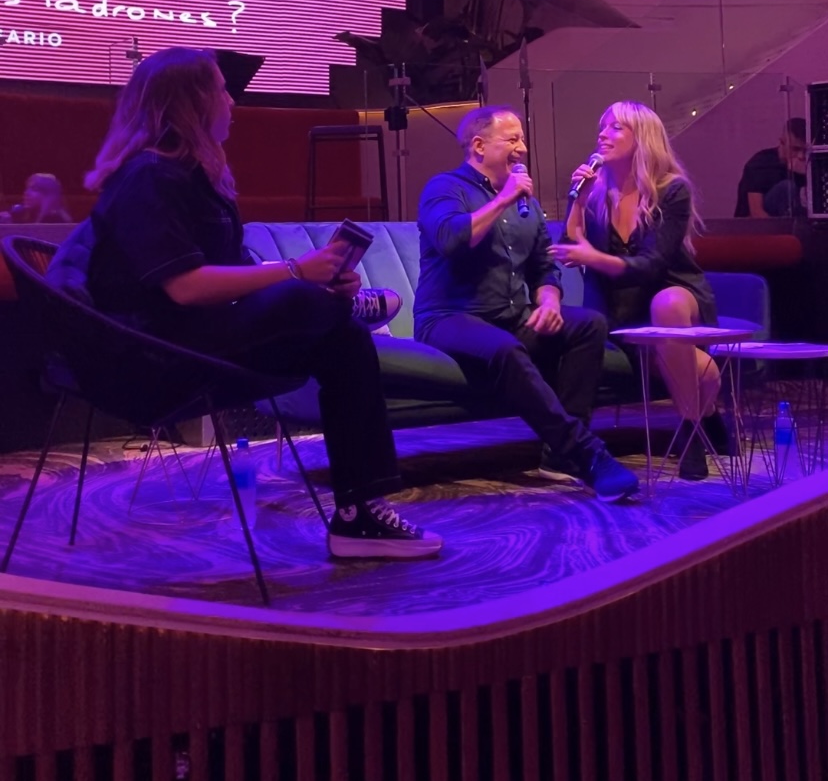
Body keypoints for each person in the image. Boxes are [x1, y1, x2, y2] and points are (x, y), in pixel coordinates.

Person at [78, 46, 441, 560]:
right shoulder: (149, 178)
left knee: (343, 338)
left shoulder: (192, 177)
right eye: (221, 90)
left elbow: (230, 275)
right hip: (155, 357)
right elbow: (184, 288)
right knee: (305, 300)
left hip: (199, 338)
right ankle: (340, 309)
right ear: (190, 103)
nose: (232, 101)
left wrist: (316, 280)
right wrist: (296, 273)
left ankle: (358, 514)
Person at [413, 105, 639, 502]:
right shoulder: (444, 187)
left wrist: (549, 302)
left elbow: (542, 268)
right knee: (506, 349)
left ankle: (558, 457)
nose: (522, 148)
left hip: (511, 317)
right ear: (479, 146)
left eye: (522, 138)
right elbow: (451, 239)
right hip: (450, 317)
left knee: (588, 324)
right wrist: (503, 199)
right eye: (512, 139)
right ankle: (587, 453)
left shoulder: (527, 204)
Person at [549, 101, 721, 481]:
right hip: (619, 308)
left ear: (642, 138)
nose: (603, 134)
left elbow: (652, 265)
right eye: (602, 126)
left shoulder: (671, 190)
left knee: (667, 303)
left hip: (673, 291)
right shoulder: (597, 192)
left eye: (616, 127)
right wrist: (578, 199)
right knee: (705, 372)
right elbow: (570, 247)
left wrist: (594, 257)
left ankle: (689, 433)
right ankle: (708, 414)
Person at [734, 118, 807, 218]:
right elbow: (756, 212)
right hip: (755, 224)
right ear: (782, 142)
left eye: (805, 151)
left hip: (796, 219)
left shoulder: (810, 164)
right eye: (795, 149)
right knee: (786, 188)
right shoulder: (761, 163)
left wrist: (805, 174)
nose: (801, 156)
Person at [0, 172, 72, 223]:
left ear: (48, 194)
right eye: (27, 188)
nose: (26, 193)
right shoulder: (33, 218)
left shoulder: (53, 219)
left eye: (34, 189)